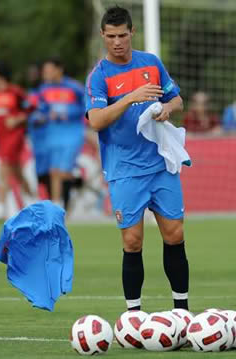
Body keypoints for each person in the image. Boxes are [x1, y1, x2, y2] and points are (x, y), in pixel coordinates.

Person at [85, 6, 189, 311]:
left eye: (122, 35)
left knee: (175, 234)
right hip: (125, 169)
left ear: (133, 33)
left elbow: (176, 98)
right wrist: (130, 97)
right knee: (132, 241)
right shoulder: (99, 76)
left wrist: (168, 109)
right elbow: (96, 120)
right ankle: (134, 315)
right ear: (103, 36)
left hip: (159, 163)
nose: (117, 42)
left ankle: (181, 311)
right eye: (111, 36)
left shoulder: (151, 63)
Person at [0, 62, 35, 218]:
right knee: (17, 172)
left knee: (4, 167)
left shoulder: (15, 92)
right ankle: (33, 201)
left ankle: (0, 207)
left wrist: (18, 118)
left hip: (14, 136)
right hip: (0, 136)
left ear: (0, 75)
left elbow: (31, 105)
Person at [38, 58, 85, 209]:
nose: (46, 74)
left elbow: (87, 107)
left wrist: (69, 113)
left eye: (49, 70)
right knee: (54, 171)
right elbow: (40, 109)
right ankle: (57, 206)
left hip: (72, 132)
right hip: (53, 133)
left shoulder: (74, 87)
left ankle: (77, 180)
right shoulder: (44, 89)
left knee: (63, 172)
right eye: (45, 71)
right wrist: (44, 116)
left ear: (59, 70)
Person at [25, 63, 52, 198]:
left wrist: (45, 117)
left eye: (34, 73)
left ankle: (57, 200)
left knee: (51, 171)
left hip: (49, 137)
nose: (32, 76)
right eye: (30, 73)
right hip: (36, 139)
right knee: (41, 174)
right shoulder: (29, 94)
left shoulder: (48, 91)